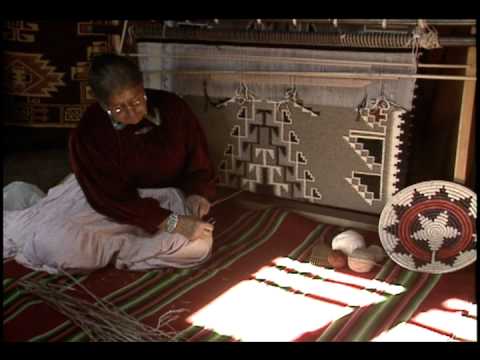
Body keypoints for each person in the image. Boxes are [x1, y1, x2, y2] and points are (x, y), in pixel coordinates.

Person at [3, 53, 216, 273]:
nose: (132, 112)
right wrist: (175, 224)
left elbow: (197, 161)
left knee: (199, 247)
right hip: (104, 208)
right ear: (104, 104)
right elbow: (111, 200)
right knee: (59, 250)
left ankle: (115, 253)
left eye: (136, 101)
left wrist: (197, 193)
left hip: (165, 201)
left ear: (143, 88)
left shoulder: (173, 108)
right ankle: (122, 252)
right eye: (119, 108)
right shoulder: (89, 133)